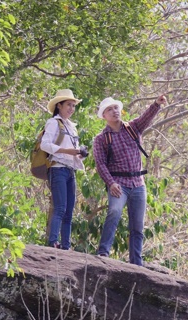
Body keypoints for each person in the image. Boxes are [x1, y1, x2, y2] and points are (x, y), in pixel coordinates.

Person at [93, 94, 167, 265]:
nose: (114, 112)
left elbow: (146, 117)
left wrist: (156, 103)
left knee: (138, 226)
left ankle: (136, 262)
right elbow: (101, 164)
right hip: (119, 184)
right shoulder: (101, 139)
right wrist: (110, 183)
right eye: (109, 110)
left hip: (138, 184)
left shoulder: (133, 128)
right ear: (104, 116)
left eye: (116, 108)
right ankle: (103, 253)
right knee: (114, 212)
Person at [41, 89, 86, 250]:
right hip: (57, 168)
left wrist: (79, 154)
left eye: (73, 106)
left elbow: (71, 149)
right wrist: (66, 151)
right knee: (60, 207)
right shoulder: (53, 122)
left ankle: (66, 245)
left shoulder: (72, 127)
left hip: (70, 170)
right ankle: (53, 241)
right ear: (59, 105)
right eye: (68, 105)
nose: (71, 109)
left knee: (69, 211)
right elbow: (44, 144)